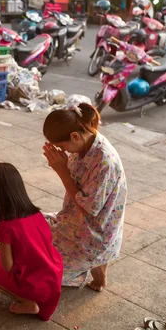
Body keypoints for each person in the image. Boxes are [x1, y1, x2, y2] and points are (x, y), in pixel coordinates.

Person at [42, 103, 127, 291]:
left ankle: (96, 270)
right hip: (73, 219)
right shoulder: (84, 143)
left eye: (62, 146)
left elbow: (87, 208)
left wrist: (62, 171)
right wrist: (63, 166)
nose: (63, 151)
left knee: (43, 270)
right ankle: (92, 267)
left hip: (94, 233)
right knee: (32, 229)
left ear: (75, 136)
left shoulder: (105, 161)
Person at [0, 163, 63, 320]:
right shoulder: (37, 214)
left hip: (36, 287)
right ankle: (33, 299)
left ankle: (28, 303)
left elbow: (7, 266)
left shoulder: (6, 227)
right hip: (54, 277)